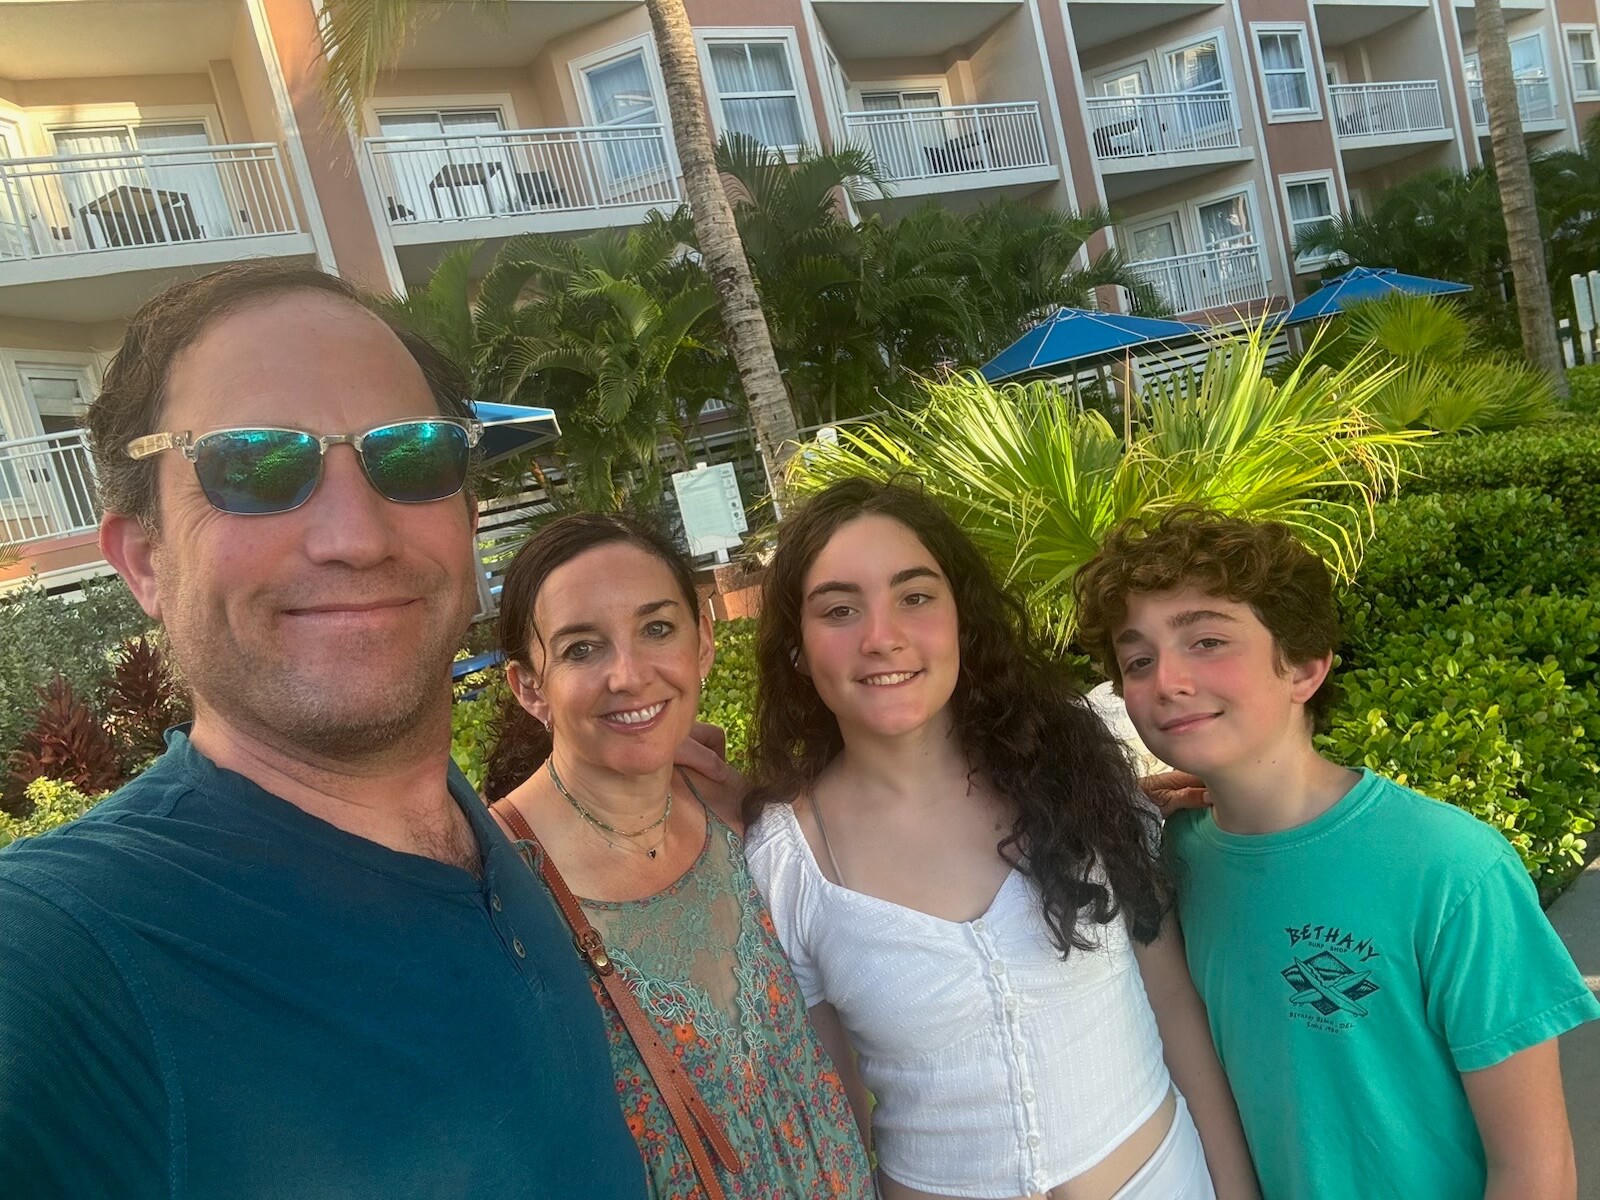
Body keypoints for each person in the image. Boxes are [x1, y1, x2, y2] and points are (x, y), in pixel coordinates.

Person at [0, 262, 648, 1198]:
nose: (357, 535)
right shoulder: (71, 953)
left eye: (414, 456)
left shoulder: (471, 838)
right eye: (256, 467)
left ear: (468, 517)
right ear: (143, 561)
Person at [741, 478, 1260, 1200]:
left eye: (915, 596)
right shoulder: (784, 863)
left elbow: (1173, 1005)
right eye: (838, 609)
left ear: (962, 617)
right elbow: (838, 1119)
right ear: (797, 648)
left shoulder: (1074, 769)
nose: (882, 636)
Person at [1072, 507, 1600, 1200]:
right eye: (1138, 660)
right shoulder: (1170, 856)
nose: (1167, 679)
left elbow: (1535, 1169)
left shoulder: (1450, 868)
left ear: (1304, 668)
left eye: (1207, 641)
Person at [481, 512, 875, 1199]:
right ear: (529, 687)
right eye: (581, 648)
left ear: (704, 643)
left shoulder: (740, 814)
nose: (629, 674)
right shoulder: (496, 884)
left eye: (658, 628)